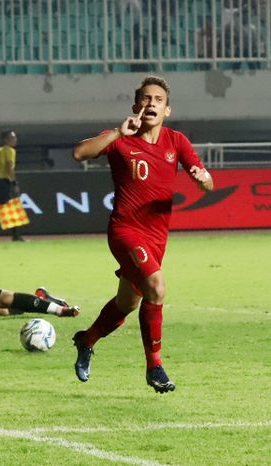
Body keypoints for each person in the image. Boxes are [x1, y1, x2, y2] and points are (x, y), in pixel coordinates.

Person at [71, 76, 214, 393]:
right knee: (156, 286)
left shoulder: (176, 141)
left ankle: (87, 339)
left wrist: (202, 177)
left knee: (128, 303)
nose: (151, 103)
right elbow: (79, 153)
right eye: (146, 98)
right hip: (124, 229)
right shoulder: (121, 139)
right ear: (136, 106)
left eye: (158, 100)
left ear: (167, 110)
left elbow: (208, 184)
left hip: (156, 237)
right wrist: (116, 133)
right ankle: (155, 366)